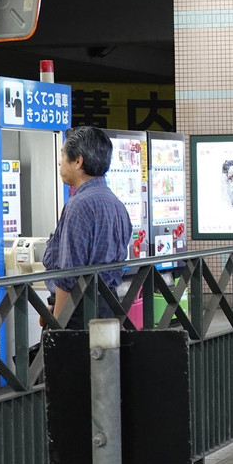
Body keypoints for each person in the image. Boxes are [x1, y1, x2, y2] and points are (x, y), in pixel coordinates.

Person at [43, 126, 133, 327]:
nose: (60, 161)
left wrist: (58, 322)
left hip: (77, 311)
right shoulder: (116, 204)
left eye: (63, 154)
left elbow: (69, 274)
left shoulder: (78, 206)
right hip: (108, 306)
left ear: (78, 161)